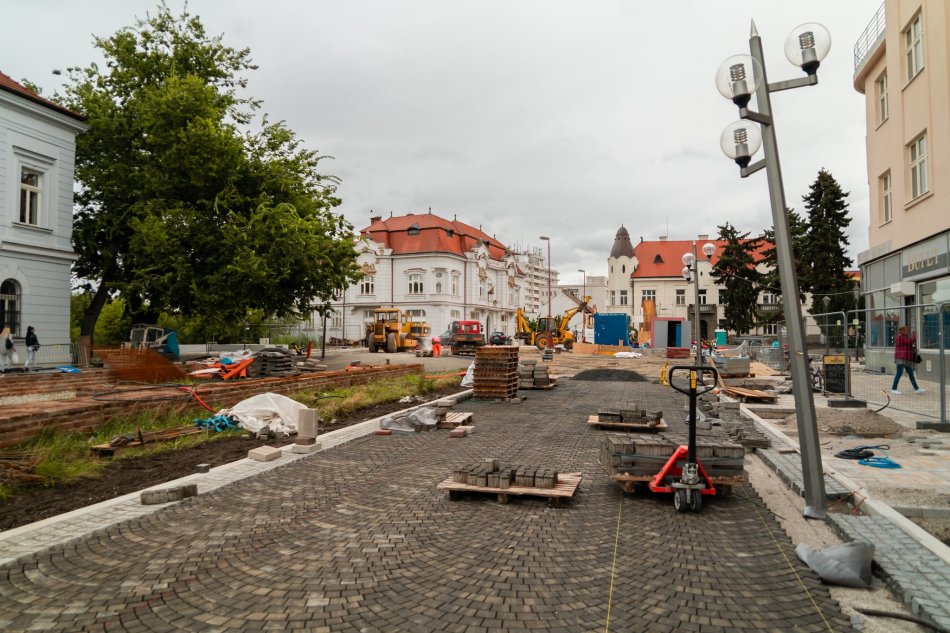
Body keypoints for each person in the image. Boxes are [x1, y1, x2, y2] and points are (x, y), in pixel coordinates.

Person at [891, 325, 925, 395]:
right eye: (905, 330)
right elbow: (909, 342)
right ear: (902, 330)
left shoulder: (904, 336)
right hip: (901, 358)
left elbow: (907, 345)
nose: (907, 331)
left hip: (906, 358)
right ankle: (893, 389)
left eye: (907, 330)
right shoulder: (900, 336)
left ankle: (917, 389)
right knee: (899, 373)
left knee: (911, 374)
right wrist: (913, 336)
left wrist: (913, 349)